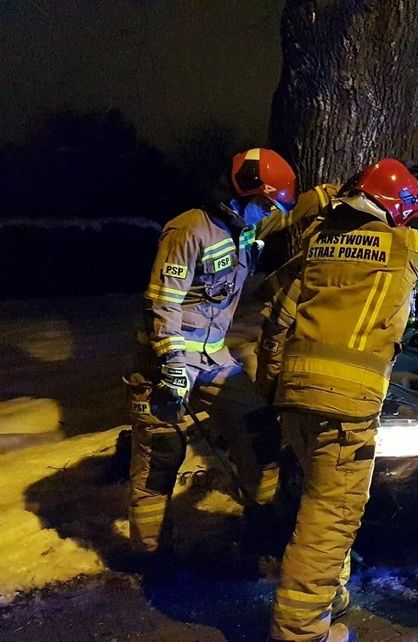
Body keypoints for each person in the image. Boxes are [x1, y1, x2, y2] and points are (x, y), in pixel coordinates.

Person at [263, 159, 418, 642]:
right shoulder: (403, 244)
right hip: (346, 405)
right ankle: (300, 631)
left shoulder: (319, 242)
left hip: (294, 397)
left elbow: (279, 319)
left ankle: (327, 594)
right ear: (398, 209)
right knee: (331, 515)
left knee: (317, 498)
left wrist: (273, 387)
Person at [125, 148, 297, 557]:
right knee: (160, 456)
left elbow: (288, 214)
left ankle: (264, 525)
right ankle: (151, 558)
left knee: (260, 431)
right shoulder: (188, 231)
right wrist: (170, 367)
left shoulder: (243, 227)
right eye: (264, 203)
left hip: (214, 359)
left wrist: (329, 196)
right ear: (243, 193)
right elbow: (162, 302)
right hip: (165, 363)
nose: (267, 212)